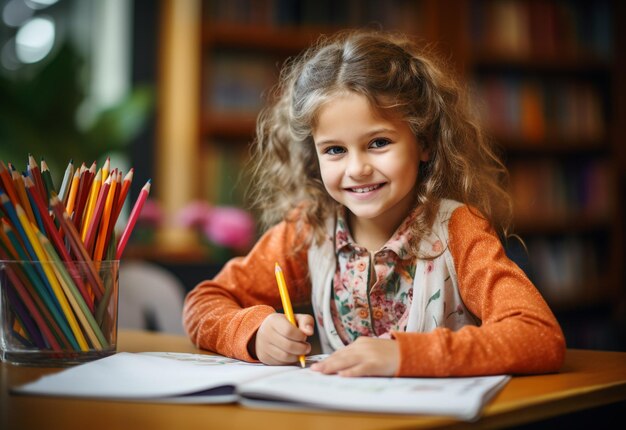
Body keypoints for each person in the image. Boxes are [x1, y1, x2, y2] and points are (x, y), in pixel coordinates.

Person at [183, 29, 565, 377]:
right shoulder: (309, 228)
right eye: (334, 150)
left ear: (425, 143)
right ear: (313, 156)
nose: (358, 168)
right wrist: (253, 332)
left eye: (378, 143)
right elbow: (203, 303)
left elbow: (537, 335)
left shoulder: (458, 229)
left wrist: (404, 356)